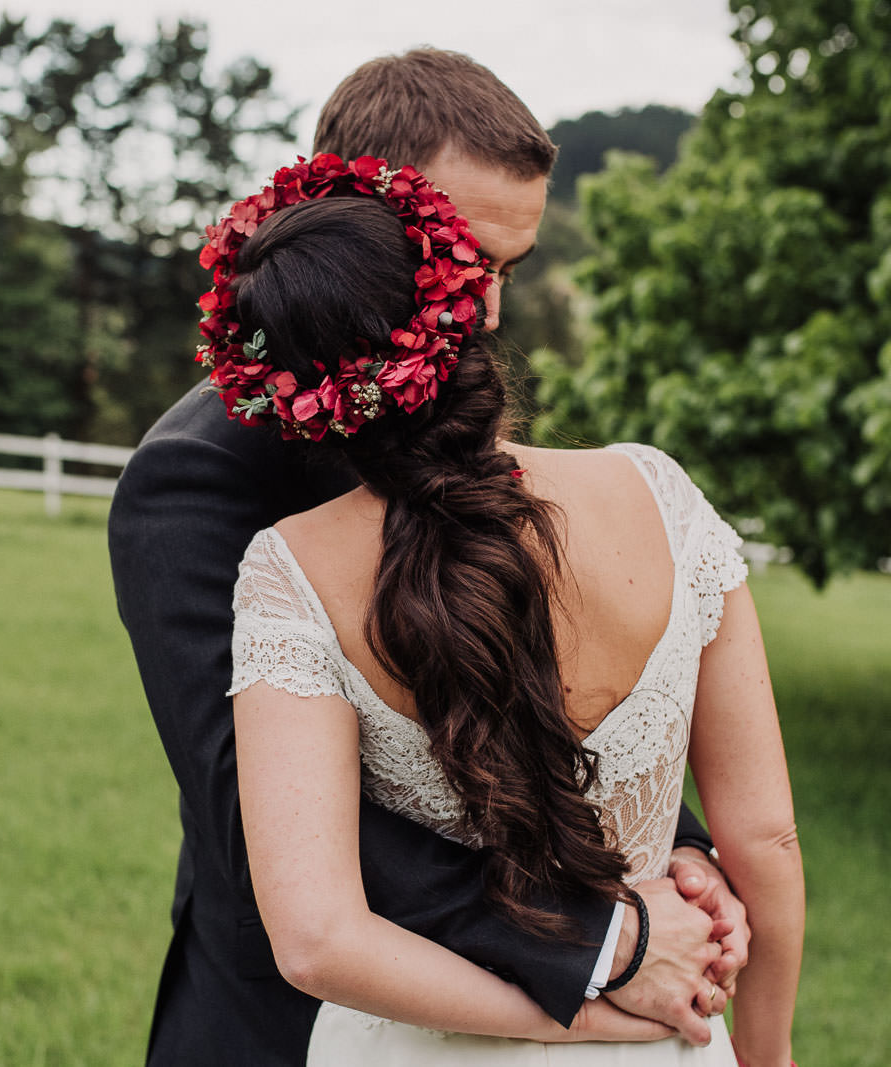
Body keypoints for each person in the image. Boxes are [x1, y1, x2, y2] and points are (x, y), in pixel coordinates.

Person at [108, 50, 756, 1065]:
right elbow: (250, 809)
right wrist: (603, 937)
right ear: (351, 207)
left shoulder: (484, 437)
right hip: (303, 1011)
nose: (488, 311)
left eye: (509, 268)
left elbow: (556, 673)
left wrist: (670, 844)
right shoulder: (194, 481)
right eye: (467, 261)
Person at [215, 162, 803, 1062]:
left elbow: (319, 940)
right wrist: (764, 1052)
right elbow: (763, 837)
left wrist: (568, 1008)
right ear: (468, 307)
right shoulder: (659, 494)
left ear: (295, 389)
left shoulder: (290, 570)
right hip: (667, 1037)